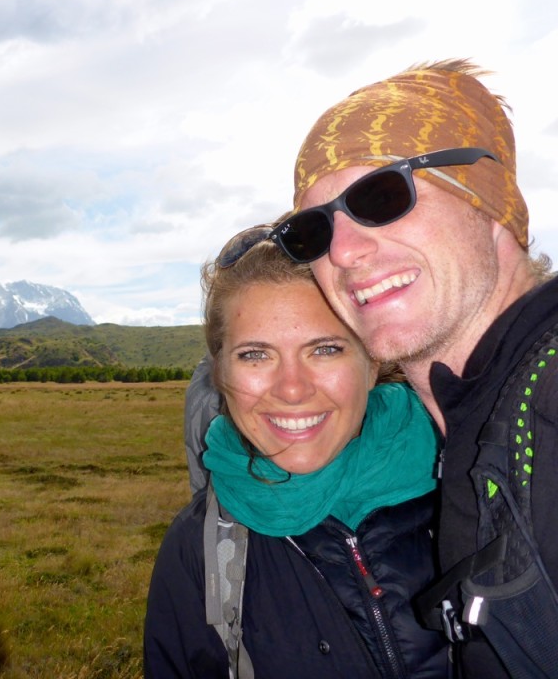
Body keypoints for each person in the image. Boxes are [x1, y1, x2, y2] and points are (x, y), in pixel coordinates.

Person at [277, 59, 558, 677]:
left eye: (382, 196)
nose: (343, 251)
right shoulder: (472, 424)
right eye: (311, 231)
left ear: (489, 205)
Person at [143, 232, 449, 678]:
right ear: (221, 374)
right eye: (255, 355)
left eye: (325, 349)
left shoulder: (475, 484)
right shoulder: (199, 549)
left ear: (373, 360)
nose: (291, 388)